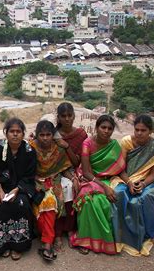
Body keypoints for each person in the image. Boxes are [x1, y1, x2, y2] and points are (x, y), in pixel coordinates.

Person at [112, 115, 154, 256]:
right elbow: (121, 169)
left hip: (147, 181)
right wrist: (129, 182)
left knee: (143, 198)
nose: (139, 133)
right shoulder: (126, 142)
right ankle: (119, 235)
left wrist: (142, 184)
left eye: (143, 130)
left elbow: (153, 174)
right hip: (125, 178)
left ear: (150, 131)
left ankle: (143, 236)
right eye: (136, 129)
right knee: (119, 193)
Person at [70, 115, 126, 255]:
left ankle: (103, 240)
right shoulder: (87, 144)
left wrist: (129, 182)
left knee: (105, 200)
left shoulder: (114, 145)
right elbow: (87, 172)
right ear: (96, 128)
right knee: (88, 200)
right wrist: (104, 187)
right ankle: (85, 240)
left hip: (108, 178)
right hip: (89, 178)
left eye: (109, 128)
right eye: (103, 127)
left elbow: (120, 168)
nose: (106, 131)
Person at [0, 118, 36, 260]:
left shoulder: (29, 150)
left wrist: (17, 189)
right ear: (6, 133)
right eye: (12, 131)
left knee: (21, 203)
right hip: (2, 187)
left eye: (18, 131)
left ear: (23, 134)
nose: (15, 134)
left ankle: (19, 245)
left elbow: (30, 175)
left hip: (22, 187)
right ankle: (3, 244)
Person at [30, 120, 74, 261]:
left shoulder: (58, 149)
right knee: (43, 201)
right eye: (41, 135)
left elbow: (64, 168)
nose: (45, 138)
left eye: (48, 134)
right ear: (37, 135)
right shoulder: (30, 147)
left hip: (54, 180)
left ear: (53, 135)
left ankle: (47, 243)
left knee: (51, 200)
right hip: (34, 181)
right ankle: (48, 241)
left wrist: (74, 179)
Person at [53, 102, 87, 250]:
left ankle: (73, 229)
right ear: (58, 118)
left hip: (76, 170)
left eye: (69, 115)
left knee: (81, 190)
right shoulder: (53, 134)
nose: (67, 119)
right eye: (63, 116)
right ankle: (59, 233)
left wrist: (66, 146)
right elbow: (53, 160)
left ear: (74, 116)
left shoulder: (80, 134)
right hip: (55, 171)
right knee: (62, 189)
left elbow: (77, 161)